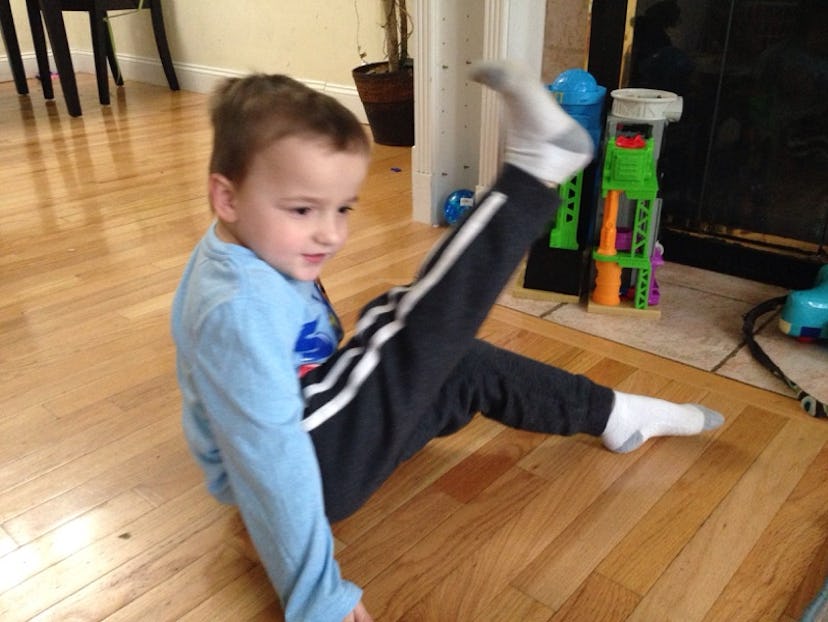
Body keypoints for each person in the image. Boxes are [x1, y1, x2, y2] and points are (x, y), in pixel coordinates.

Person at [171, 61, 724, 622]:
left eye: (341, 208)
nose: (330, 233)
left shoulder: (260, 243)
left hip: (324, 439)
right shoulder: (236, 309)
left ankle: (615, 415)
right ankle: (536, 171)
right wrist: (317, 595)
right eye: (303, 210)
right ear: (228, 197)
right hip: (311, 464)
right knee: (408, 325)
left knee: (454, 359)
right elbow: (273, 462)